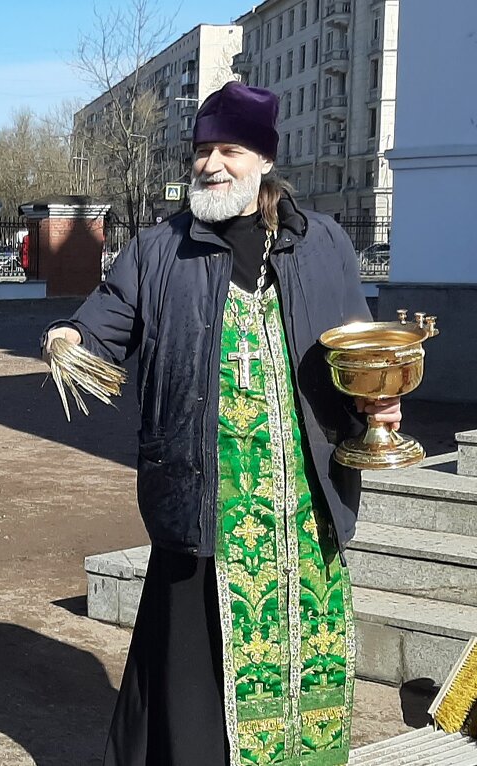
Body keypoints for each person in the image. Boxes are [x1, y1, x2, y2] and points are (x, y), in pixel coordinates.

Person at [43, 81, 402, 765]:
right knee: (192, 676)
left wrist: (379, 398)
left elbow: (361, 350)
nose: (211, 163)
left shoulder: (321, 242)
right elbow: (102, 322)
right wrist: (67, 338)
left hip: (307, 506)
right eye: (202, 149)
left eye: (229, 149)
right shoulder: (157, 251)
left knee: (308, 663)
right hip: (204, 499)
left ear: (263, 158)